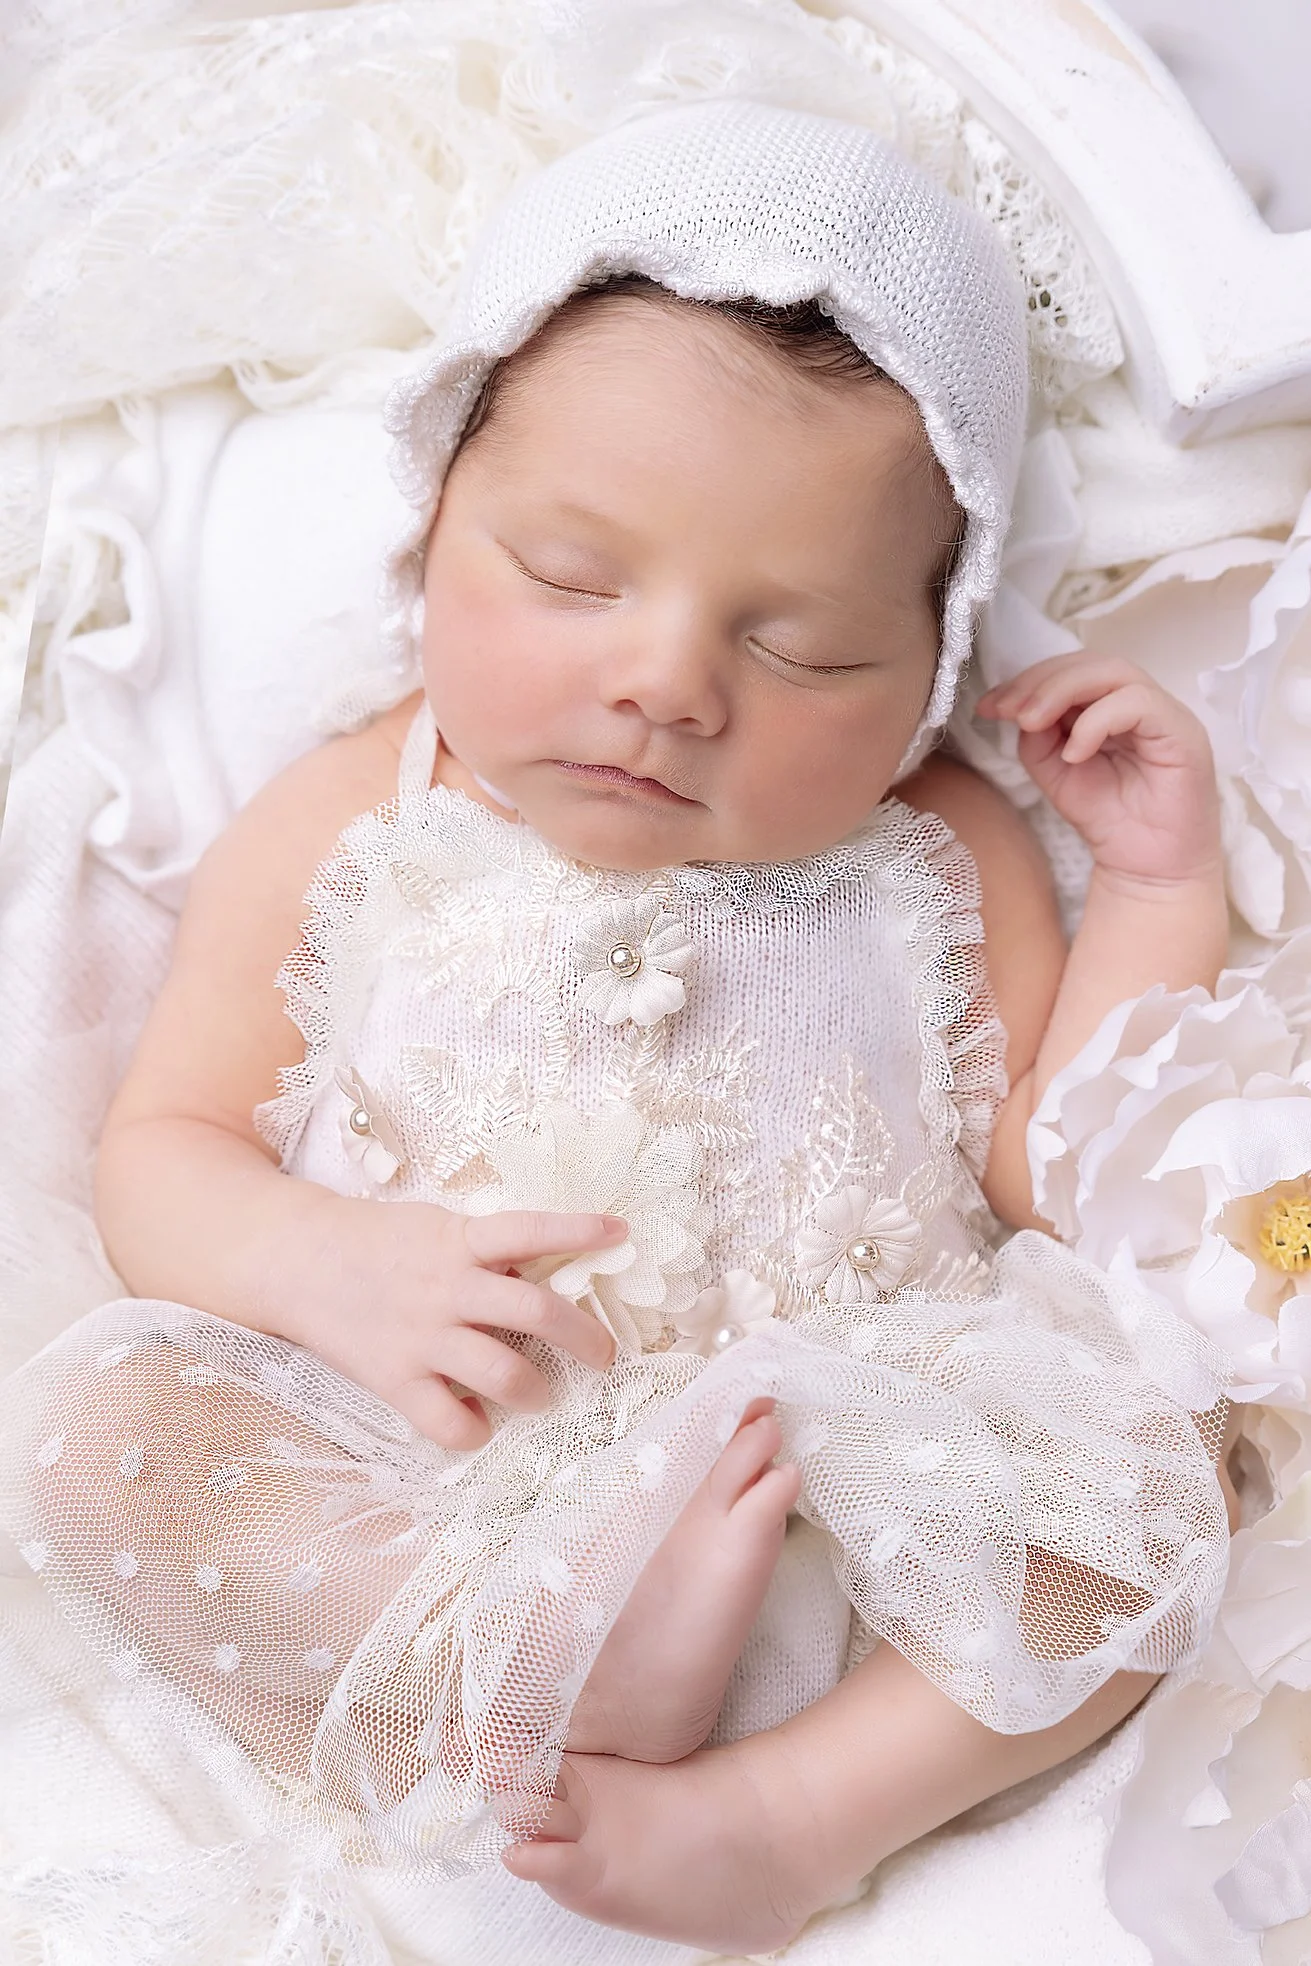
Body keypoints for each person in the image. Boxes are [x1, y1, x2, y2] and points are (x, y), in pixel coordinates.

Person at [0, 101, 1235, 1961]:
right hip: (425, 1479)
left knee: (1168, 1476)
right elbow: (163, 1144)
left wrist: (1150, 888)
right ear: (432, 533)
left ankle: (797, 1806)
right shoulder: (355, 813)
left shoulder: (942, 848)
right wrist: (325, 1266)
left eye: (804, 646)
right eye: (569, 579)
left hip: (849, 1505)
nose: (664, 683)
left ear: (929, 668)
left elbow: (1062, 1175)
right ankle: (519, 1676)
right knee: (99, 1428)